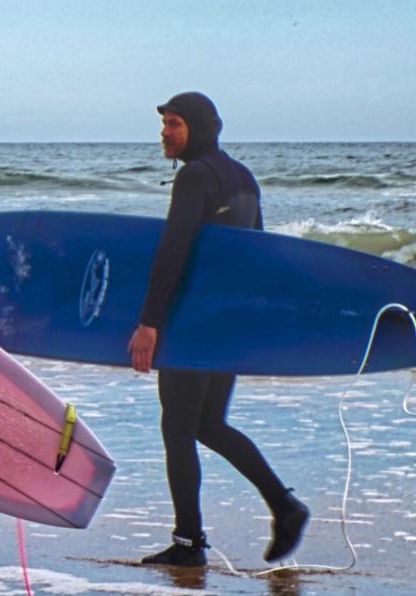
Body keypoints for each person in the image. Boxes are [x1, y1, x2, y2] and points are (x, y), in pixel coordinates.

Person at [126, 90, 308, 570]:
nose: (165, 133)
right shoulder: (244, 179)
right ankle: (284, 506)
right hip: (227, 323)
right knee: (207, 424)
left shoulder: (193, 178)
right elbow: (258, 256)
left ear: (200, 129)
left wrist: (149, 323)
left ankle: (189, 545)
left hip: (195, 321)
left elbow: (173, 252)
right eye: (164, 123)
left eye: (175, 124)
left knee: (179, 428)